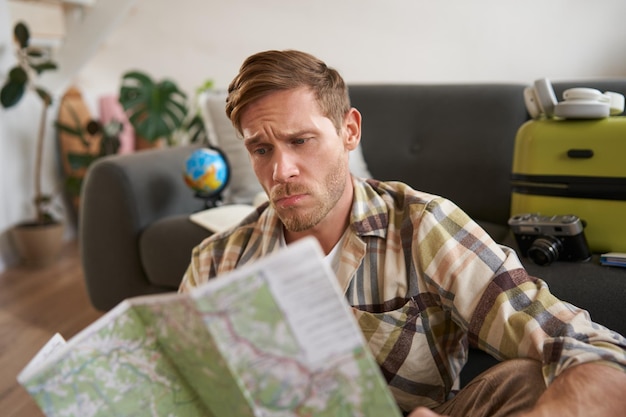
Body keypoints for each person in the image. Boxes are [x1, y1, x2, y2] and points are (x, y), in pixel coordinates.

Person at [179, 49, 626, 416]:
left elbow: (593, 348)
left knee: (527, 380)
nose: (281, 171)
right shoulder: (214, 262)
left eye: (301, 141)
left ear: (349, 130)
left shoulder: (422, 226)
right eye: (261, 149)